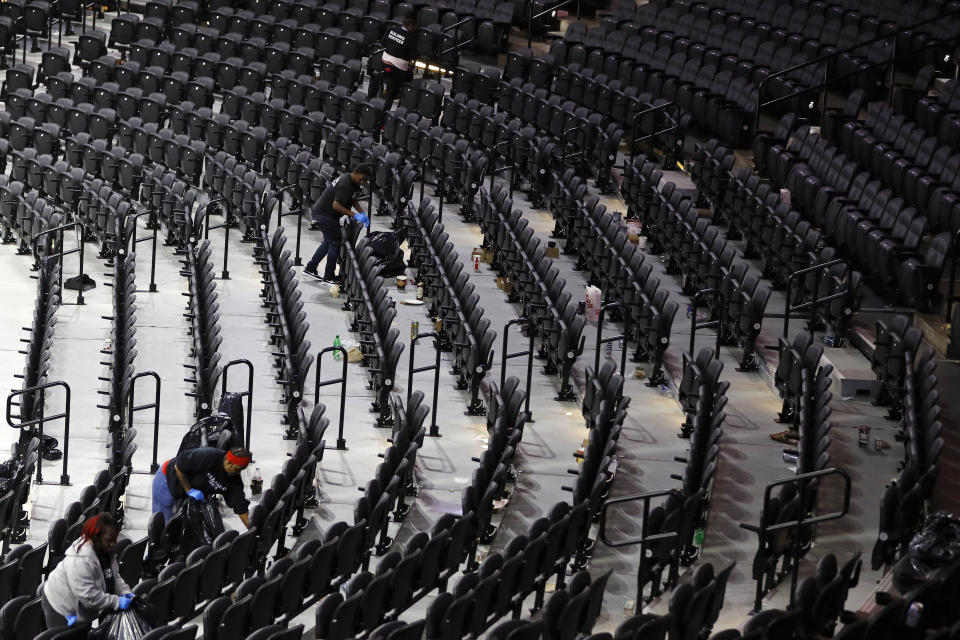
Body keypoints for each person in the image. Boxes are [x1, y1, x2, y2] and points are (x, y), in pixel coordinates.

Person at [42, 513, 133, 628]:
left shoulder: (105, 550)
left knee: (81, 632)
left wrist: (125, 592)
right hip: (60, 604)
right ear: (95, 538)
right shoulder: (80, 561)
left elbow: (114, 575)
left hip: (82, 605)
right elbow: (89, 597)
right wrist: (116, 602)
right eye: (109, 540)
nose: (113, 544)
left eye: (114, 539)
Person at [151, 446, 253, 529]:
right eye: (237, 469)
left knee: (177, 526)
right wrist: (189, 490)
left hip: (184, 491)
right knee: (162, 524)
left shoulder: (233, 479)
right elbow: (179, 466)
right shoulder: (209, 455)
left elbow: (240, 507)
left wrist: (252, 530)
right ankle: (153, 554)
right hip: (168, 479)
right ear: (229, 462)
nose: (238, 473)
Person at [303, 165, 372, 283]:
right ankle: (328, 276)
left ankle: (310, 268)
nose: (363, 182)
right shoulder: (346, 184)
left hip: (325, 214)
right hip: (324, 215)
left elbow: (352, 199)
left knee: (327, 242)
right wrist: (354, 215)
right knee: (334, 243)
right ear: (355, 173)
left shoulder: (351, 181)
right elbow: (336, 205)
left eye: (365, 180)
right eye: (362, 178)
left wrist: (362, 213)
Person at [380, 17, 417, 109]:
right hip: (396, 69)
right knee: (409, 77)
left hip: (384, 64)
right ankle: (400, 102)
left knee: (389, 81)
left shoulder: (392, 29)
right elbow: (413, 56)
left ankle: (388, 92)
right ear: (411, 26)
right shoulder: (410, 37)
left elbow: (382, 43)